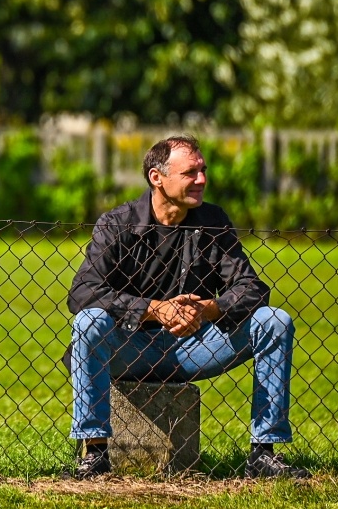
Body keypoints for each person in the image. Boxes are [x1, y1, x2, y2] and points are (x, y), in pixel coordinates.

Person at [65, 136, 306, 479]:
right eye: (191, 172)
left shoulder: (212, 221)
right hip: (129, 347)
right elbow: (82, 292)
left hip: (195, 346)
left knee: (275, 321)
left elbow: (251, 288)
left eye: (203, 170)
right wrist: (153, 309)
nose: (202, 179)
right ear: (156, 177)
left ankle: (263, 454)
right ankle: (96, 452)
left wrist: (210, 308)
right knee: (89, 322)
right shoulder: (118, 224)